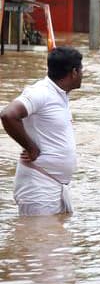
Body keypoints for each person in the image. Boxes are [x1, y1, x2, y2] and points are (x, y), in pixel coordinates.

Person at [1, 47, 83, 215]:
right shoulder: (41, 92)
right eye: (81, 69)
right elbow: (8, 115)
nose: (83, 74)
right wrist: (31, 147)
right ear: (74, 72)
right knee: (38, 240)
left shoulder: (60, 94)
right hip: (38, 185)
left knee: (55, 239)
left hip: (56, 186)